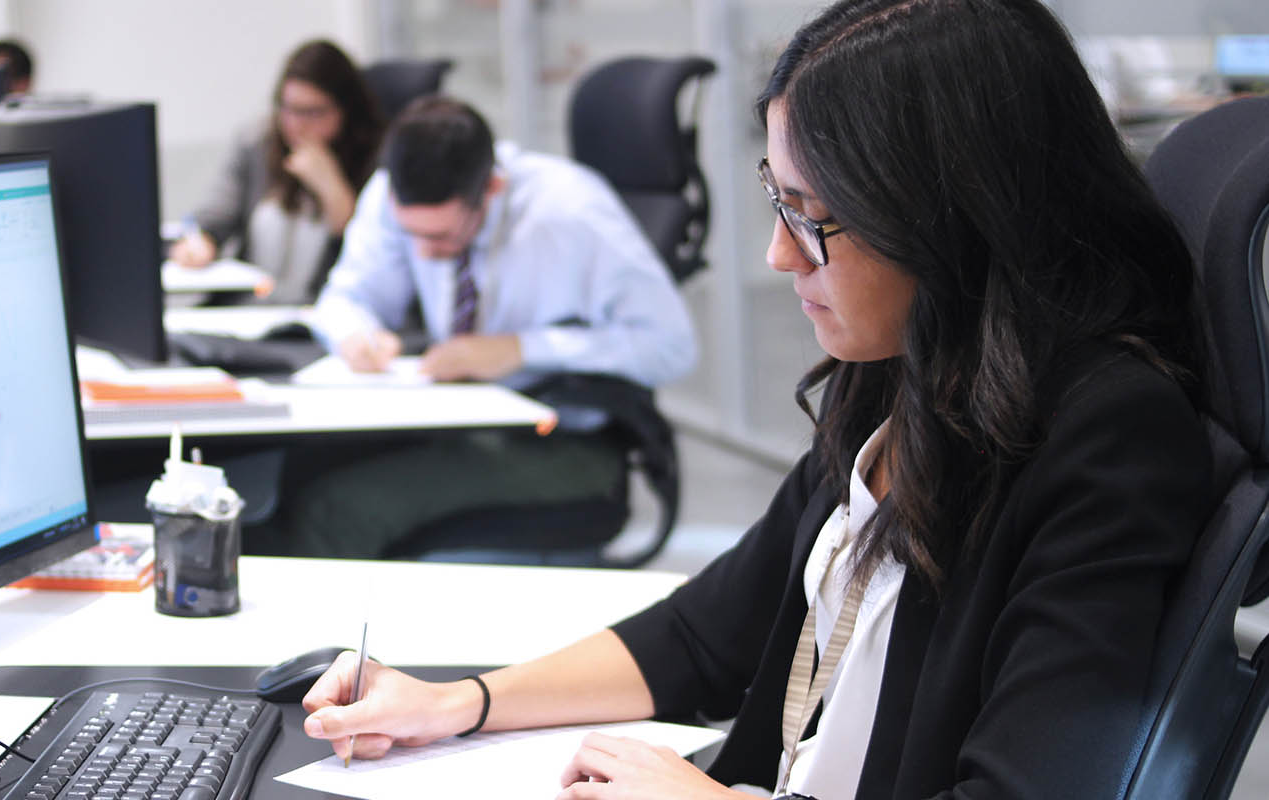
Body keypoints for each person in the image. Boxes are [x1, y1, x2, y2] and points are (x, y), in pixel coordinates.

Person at [294, 1, 1216, 797]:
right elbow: (705, 634)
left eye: (814, 219)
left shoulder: (1103, 434)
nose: (781, 256)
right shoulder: (901, 373)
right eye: (779, 201)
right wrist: (456, 704)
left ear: (952, 217)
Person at [265, 95, 696, 559]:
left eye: (441, 237)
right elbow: (346, 297)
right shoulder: (395, 194)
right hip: (459, 419)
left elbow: (671, 345)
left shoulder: (571, 214)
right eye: (412, 235)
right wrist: (357, 334)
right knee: (290, 470)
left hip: (564, 437)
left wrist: (522, 349)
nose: (424, 253)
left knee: (338, 508)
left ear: (491, 188)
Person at [170, 40, 384, 305]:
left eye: (313, 112)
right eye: (289, 108)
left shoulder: (377, 158)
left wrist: (330, 185)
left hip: (317, 313)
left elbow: (367, 253)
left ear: (346, 111)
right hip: (248, 309)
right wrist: (201, 239)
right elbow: (216, 215)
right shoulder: (257, 144)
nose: (297, 124)